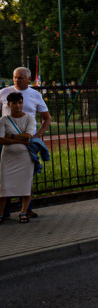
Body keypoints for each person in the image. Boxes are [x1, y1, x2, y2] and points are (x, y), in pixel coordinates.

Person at [0, 67, 51, 219]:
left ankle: (26, 209)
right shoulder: (3, 92)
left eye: (21, 78)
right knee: (5, 178)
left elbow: (46, 117)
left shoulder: (35, 94)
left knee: (26, 176)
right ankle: (5, 212)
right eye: (15, 77)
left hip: (27, 142)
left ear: (28, 79)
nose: (17, 80)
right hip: (6, 143)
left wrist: (38, 135)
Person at [0, 92, 36, 223]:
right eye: (14, 103)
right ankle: (1, 213)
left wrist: (12, 136)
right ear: (9, 105)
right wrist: (19, 140)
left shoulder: (29, 118)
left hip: (25, 157)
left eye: (20, 102)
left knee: (26, 185)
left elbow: (28, 136)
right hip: (8, 157)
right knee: (4, 186)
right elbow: (1, 140)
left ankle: (24, 212)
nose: (17, 106)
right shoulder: (3, 120)